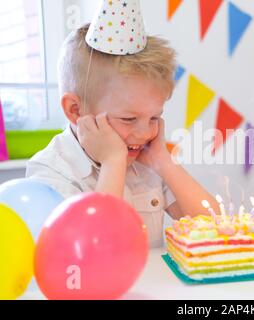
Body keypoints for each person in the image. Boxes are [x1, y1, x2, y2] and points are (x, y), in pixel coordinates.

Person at [26, 15, 218, 247]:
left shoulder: (149, 163)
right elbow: (94, 248)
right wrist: (112, 162)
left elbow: (215, 227)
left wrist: (165, 163)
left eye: (154, 117)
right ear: (75, 110)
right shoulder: (52, 173)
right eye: (128, 119)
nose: (144, 133)